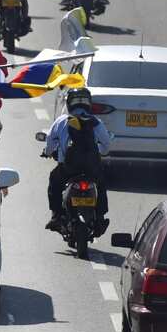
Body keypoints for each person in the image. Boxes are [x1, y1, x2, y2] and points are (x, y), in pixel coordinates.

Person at [43, 87, 113, 233]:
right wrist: (101, 152)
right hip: (91, 169)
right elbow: (106, 144)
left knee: (54, 181)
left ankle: (56, 216)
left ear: (69, 103)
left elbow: (50, 142)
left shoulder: (62, 121)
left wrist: (47, 152)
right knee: (101, 185)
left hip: (68, 168)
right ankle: (100, 217)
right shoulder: (96, 122)